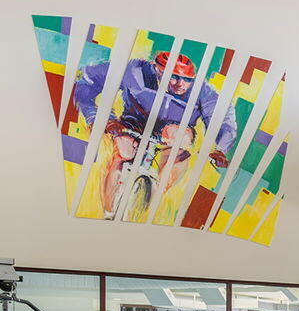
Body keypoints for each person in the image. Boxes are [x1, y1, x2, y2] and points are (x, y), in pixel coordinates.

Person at [72, 51, 235, 217]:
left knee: (178, 139)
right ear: (156, 69)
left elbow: (223, 118)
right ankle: (109, 212)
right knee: (123, 152)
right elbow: (87, 80)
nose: (181, 84)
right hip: (133, 125)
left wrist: (221, 148)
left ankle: (151, 196)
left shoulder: (202, 91)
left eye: (187, 79)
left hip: (173, 133)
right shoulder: (135, 71)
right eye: (173, 77)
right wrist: (98, 118)